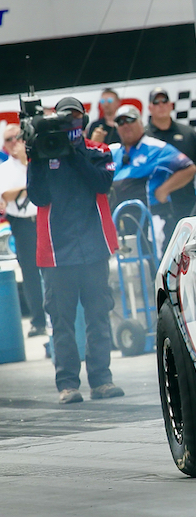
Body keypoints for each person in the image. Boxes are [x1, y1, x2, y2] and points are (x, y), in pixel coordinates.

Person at [26, 97, 124, 404]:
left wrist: (75, 151)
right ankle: (67, 385)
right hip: (56, 252)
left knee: (98, 315)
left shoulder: (99, 150)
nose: (71, 122)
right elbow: (38, 198)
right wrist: (37, 156)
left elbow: (101, 182)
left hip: (94, 247)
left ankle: (102, 381)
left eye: (76, 116)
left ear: (83, 119)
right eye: (65, 117)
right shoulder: (44, 152)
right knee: (61, 321)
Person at [109, 104, 196, 251]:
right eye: (120, 122)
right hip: (121, 224)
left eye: (130, 120)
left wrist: (164, 190)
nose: (125, 125)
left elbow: (189, 168)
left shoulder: (156, 147)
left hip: (152, 222)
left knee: (154, 267)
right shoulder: (112, 151)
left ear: (140, 122)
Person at [0, 124, 46, 338]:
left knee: (52, 269)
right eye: (9, 139)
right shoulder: (4, 169)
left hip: (43, 218)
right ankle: (38, 320)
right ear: (4, 144)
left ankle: (55, 315)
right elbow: (5, 196)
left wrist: (26, 162)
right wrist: (24, 190)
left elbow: (43, 185)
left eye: (18, 137)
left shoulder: (36, 160)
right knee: (30, 273)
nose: (14, 142)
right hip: (22, 222)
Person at [145, 87, 196, 219]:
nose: (161, 105)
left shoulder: (188, 133)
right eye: (156, 102)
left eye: (164, 101)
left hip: (188, 206)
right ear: (150, 108)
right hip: (157, 210)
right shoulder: (144, 138)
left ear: (170, 105)